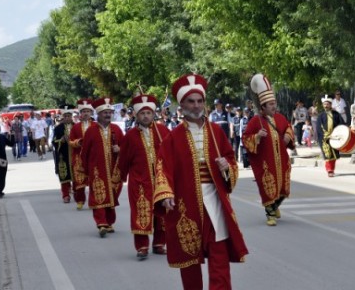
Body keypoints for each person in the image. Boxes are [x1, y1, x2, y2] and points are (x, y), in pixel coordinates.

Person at [154, 73, 248, 289]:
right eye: (191, 101)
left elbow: (231, 160)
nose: (196, 106)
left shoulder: (216, 131)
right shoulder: (173, 137)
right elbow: (162, 169)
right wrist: (165, 193)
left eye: (200, 101)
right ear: (182, 105)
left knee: (219, 255)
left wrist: (227, 168)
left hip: (215, 202)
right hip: (186, 204)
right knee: (189, 259)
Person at [119, 94, 170, 260]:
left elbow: (174, 154)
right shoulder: (130, 136)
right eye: (142, 113)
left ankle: (159, 244)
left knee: (163, 213)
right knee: (141, 212)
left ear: (153, 114)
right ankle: (142, 246)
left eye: (148, 113)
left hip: (162, 181)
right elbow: (123, 160)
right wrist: (118, 178)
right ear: (136, 115)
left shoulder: (163, 131)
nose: (146, 116)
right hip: (139, 182)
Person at [243, 73, 295, 226]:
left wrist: (287, 135)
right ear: (263, 107)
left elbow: (289, 128)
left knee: (284, 189)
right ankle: (270, 213)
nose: (274, 106)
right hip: (266, 162)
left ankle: (275, 205)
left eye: (274, 103)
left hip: (282, 160)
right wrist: (257, 136)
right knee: (268, 188)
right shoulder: (255, 121)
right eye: (270, 104)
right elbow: (246, 138)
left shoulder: (280, 118)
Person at [81, 97, 124, 237]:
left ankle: (109, 222)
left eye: (109, 112)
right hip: (96, 171)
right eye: (104, 112)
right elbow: (84, 152)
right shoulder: (91, 131)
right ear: (98, 114)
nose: (107, 115)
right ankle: (101, 223)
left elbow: (127, 148)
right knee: (99, 195)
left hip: (114, 169)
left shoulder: (117, 129)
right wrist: (86, 171)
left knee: (112, 195)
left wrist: (120, 149)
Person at [68, 99, 95, 210]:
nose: (86, 113)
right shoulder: (75, 127)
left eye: (88, 111)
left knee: (95, 180)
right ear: (80, 113)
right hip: (79, 157)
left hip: (93, 157)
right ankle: (80, 200)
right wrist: (78, 142)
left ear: (91, 113)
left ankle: (94, 201)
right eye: (83, 111)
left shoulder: (95, 126)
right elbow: (70, 141)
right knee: (79, 181)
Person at [317, 94, 345, 177]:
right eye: (325, 104)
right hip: (324, 138)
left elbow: (341, 124)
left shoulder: (336, 114)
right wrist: (324, 135)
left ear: (330, 104)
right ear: (323, 105)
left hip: (335, 137)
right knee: (328, 154)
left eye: (327, 104)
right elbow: (319, 127)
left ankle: (332, 169)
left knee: (334, 154)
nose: (326, 105)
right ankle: (329, 170)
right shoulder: (321, 116)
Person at [52, 106, 76, 204]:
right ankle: (65, 195)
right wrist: (61, 140)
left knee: (76, 174)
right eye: (65, 116)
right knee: (64, 175)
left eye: (69, 116)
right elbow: (53, 141)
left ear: (71, 116)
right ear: (62, 117)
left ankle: (77, 193)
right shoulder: (58, 128)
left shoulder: (76, 126)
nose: (67, 118)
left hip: (75, 153)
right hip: (63, 154)